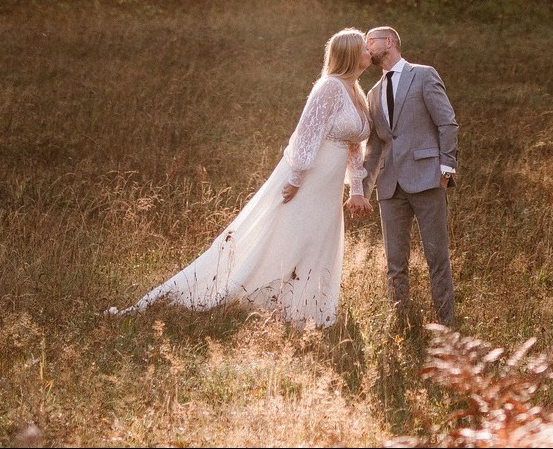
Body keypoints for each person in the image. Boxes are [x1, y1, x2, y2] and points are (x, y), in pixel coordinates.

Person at [111, 28, 371, 328]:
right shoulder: (329, 87)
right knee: (291, 236)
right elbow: (307, 135)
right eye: (364, 47)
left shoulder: (356, 90)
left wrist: (357, 188)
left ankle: (305, 309)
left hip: (329, 185)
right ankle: (250, 294)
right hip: (310, 177)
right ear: (350, 53)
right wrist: (296, 177)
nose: (369, 52)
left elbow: (355, 146)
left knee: (319, 239)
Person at [349, 24, 459, 329]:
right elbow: (374, 147)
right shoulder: (372, 93)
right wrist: (361, 189)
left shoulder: (423, 74)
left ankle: (446, 325)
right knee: (395, 263)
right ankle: (401, 323)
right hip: (390, 186)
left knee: (437, 258)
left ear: (391, 41)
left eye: (371, 41)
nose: (367, 47)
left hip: (427, 179)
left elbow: (447, 123)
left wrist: (446, 169)